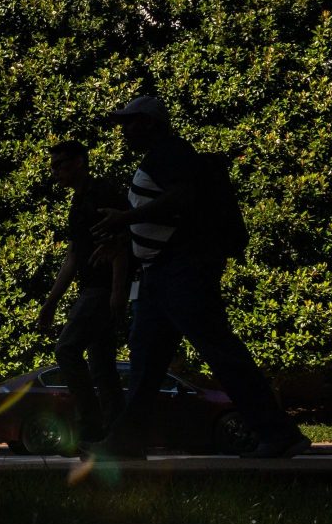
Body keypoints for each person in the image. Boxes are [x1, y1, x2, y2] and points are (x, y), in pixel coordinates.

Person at [84, 95, 309, 460]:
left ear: (151, 124)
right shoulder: (162, 157)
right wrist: (126, 238)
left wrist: (124, 221)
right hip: (161, 276)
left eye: (130, 122)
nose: (123, 129)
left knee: (219, 351)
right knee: (144, 364)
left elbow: (182, 198)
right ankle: (126, 440)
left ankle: (277, 432)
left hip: (181, 272)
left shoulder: (172, 154)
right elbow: (163, 216)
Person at [38, 140, 129, 446]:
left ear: (79, 162)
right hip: (95, 288)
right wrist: (51, 302)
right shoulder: (79, 202)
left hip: (101, 290)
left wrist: (118, 291)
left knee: (67, 349)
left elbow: (121, 242)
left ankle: (91, 425)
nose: (55, 172)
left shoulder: (100, 193)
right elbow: (74, 255)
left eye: (60, 164)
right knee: (102, 367)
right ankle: (118, 436)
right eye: (52, 166)